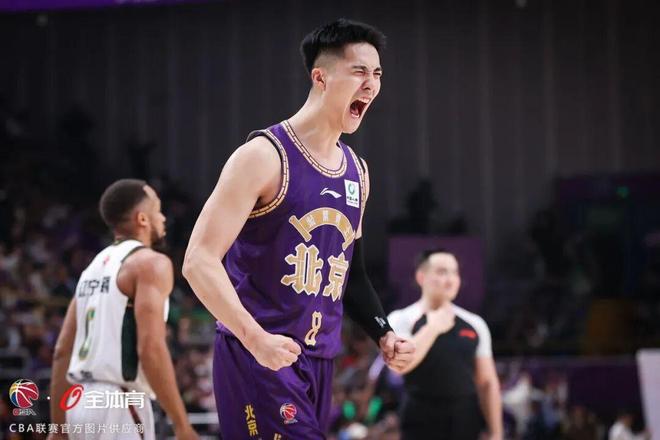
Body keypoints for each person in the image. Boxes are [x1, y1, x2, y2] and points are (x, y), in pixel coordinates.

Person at [183, 18, 414, 439]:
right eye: (359, 71)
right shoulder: (263, 156)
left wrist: (384, 334)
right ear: (320, 78)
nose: (371, 84)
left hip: (319, 360)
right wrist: (255, 339)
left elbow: (353, 276)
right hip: (258, 353)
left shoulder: (358, 173)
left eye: (378, 74)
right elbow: (198, 260)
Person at [48, 179, 198, 440]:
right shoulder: (150, 263)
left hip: (78, 401)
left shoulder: (92, 268)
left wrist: (58, 428)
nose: (163, 218)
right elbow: (151, 349)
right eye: (157, 210)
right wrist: (181, 424)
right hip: (119, 403)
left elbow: (62, 350)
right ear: (142, 219)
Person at [388, 248, 503, 440]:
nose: (450, 279)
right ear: (421, 277)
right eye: (442, 272)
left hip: (464, 419)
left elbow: (487, 382)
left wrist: (496, 432)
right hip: (419, 419)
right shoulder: (401, 318)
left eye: (455, 273)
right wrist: (433, 327)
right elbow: (399, 366)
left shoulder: (475, 323)